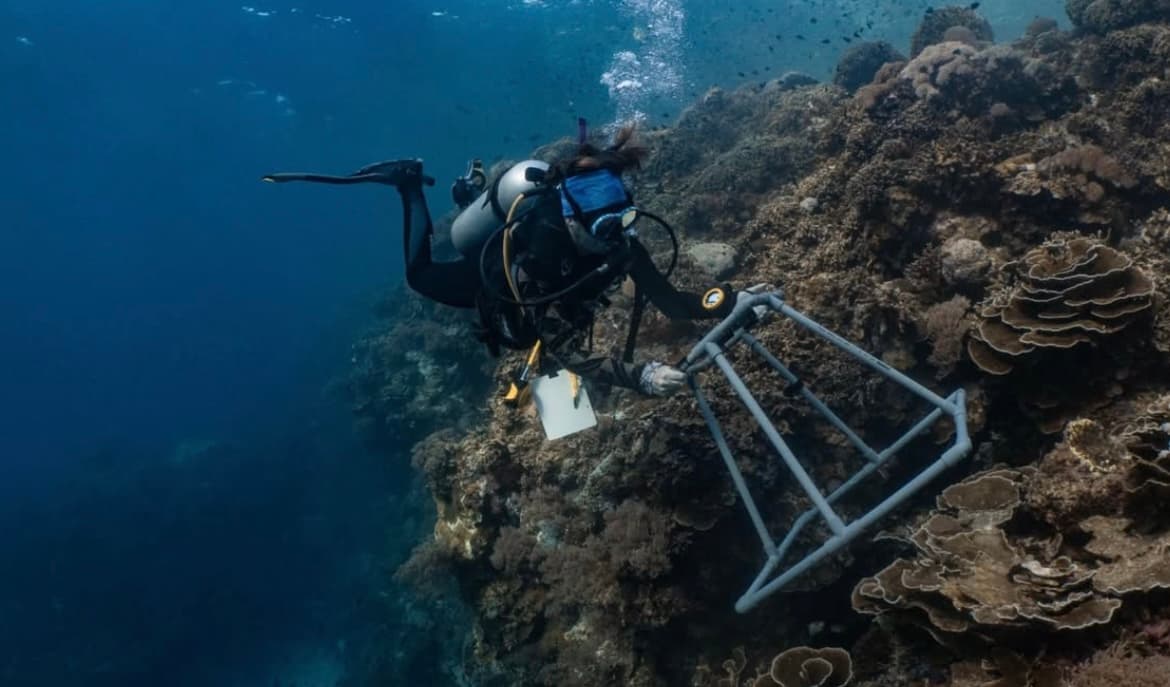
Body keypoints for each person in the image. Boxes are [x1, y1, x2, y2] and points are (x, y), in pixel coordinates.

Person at [264, 125, 767, 397]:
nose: (616, 236)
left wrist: (729, 302)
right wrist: (641, 376)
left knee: (537, 337)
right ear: (570, 221)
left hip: (535, 259)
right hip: (492, 277)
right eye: (602, 228)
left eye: (624, 219)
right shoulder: (541, 256)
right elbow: (563, 350)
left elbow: (673, 303)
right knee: (420, 276)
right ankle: (409, 185)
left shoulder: (620, 241)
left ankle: (469, 192)